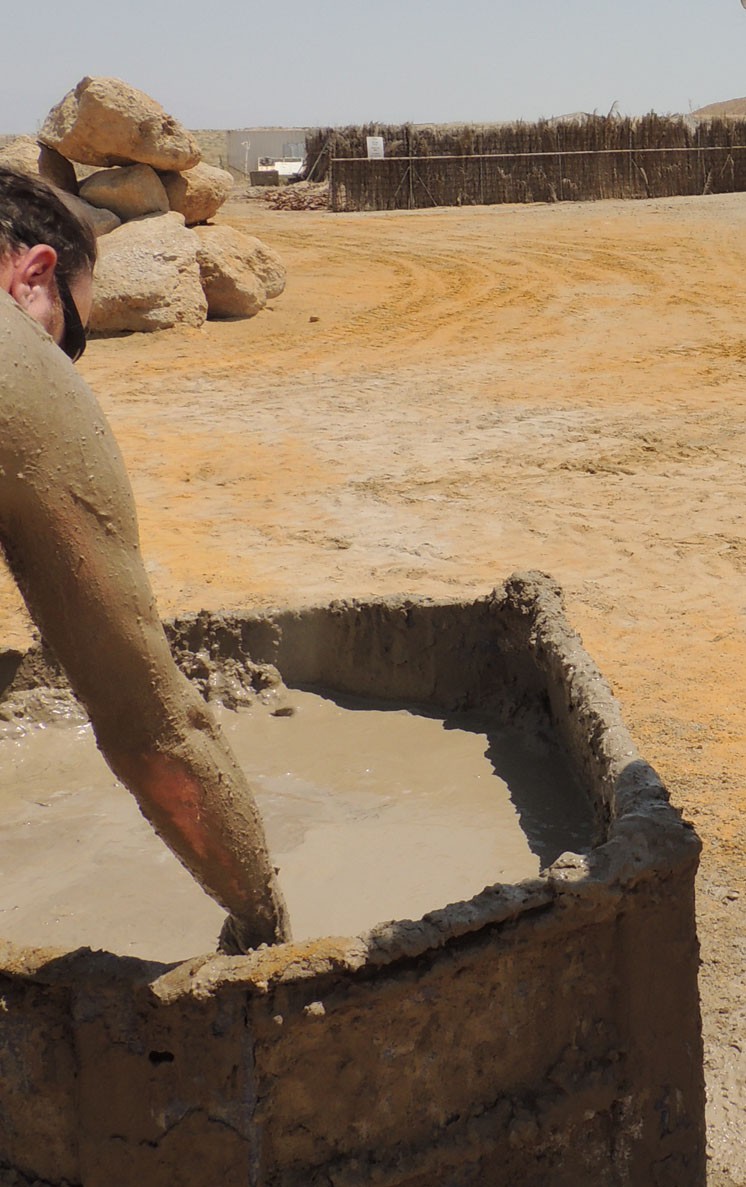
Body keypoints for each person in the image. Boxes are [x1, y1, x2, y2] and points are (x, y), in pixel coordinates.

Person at [0, 167, 290, 953]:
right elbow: (153, 730)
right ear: (34, 277)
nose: (65, 364)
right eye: (72, 341)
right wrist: (263, 925)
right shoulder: (18, 360)